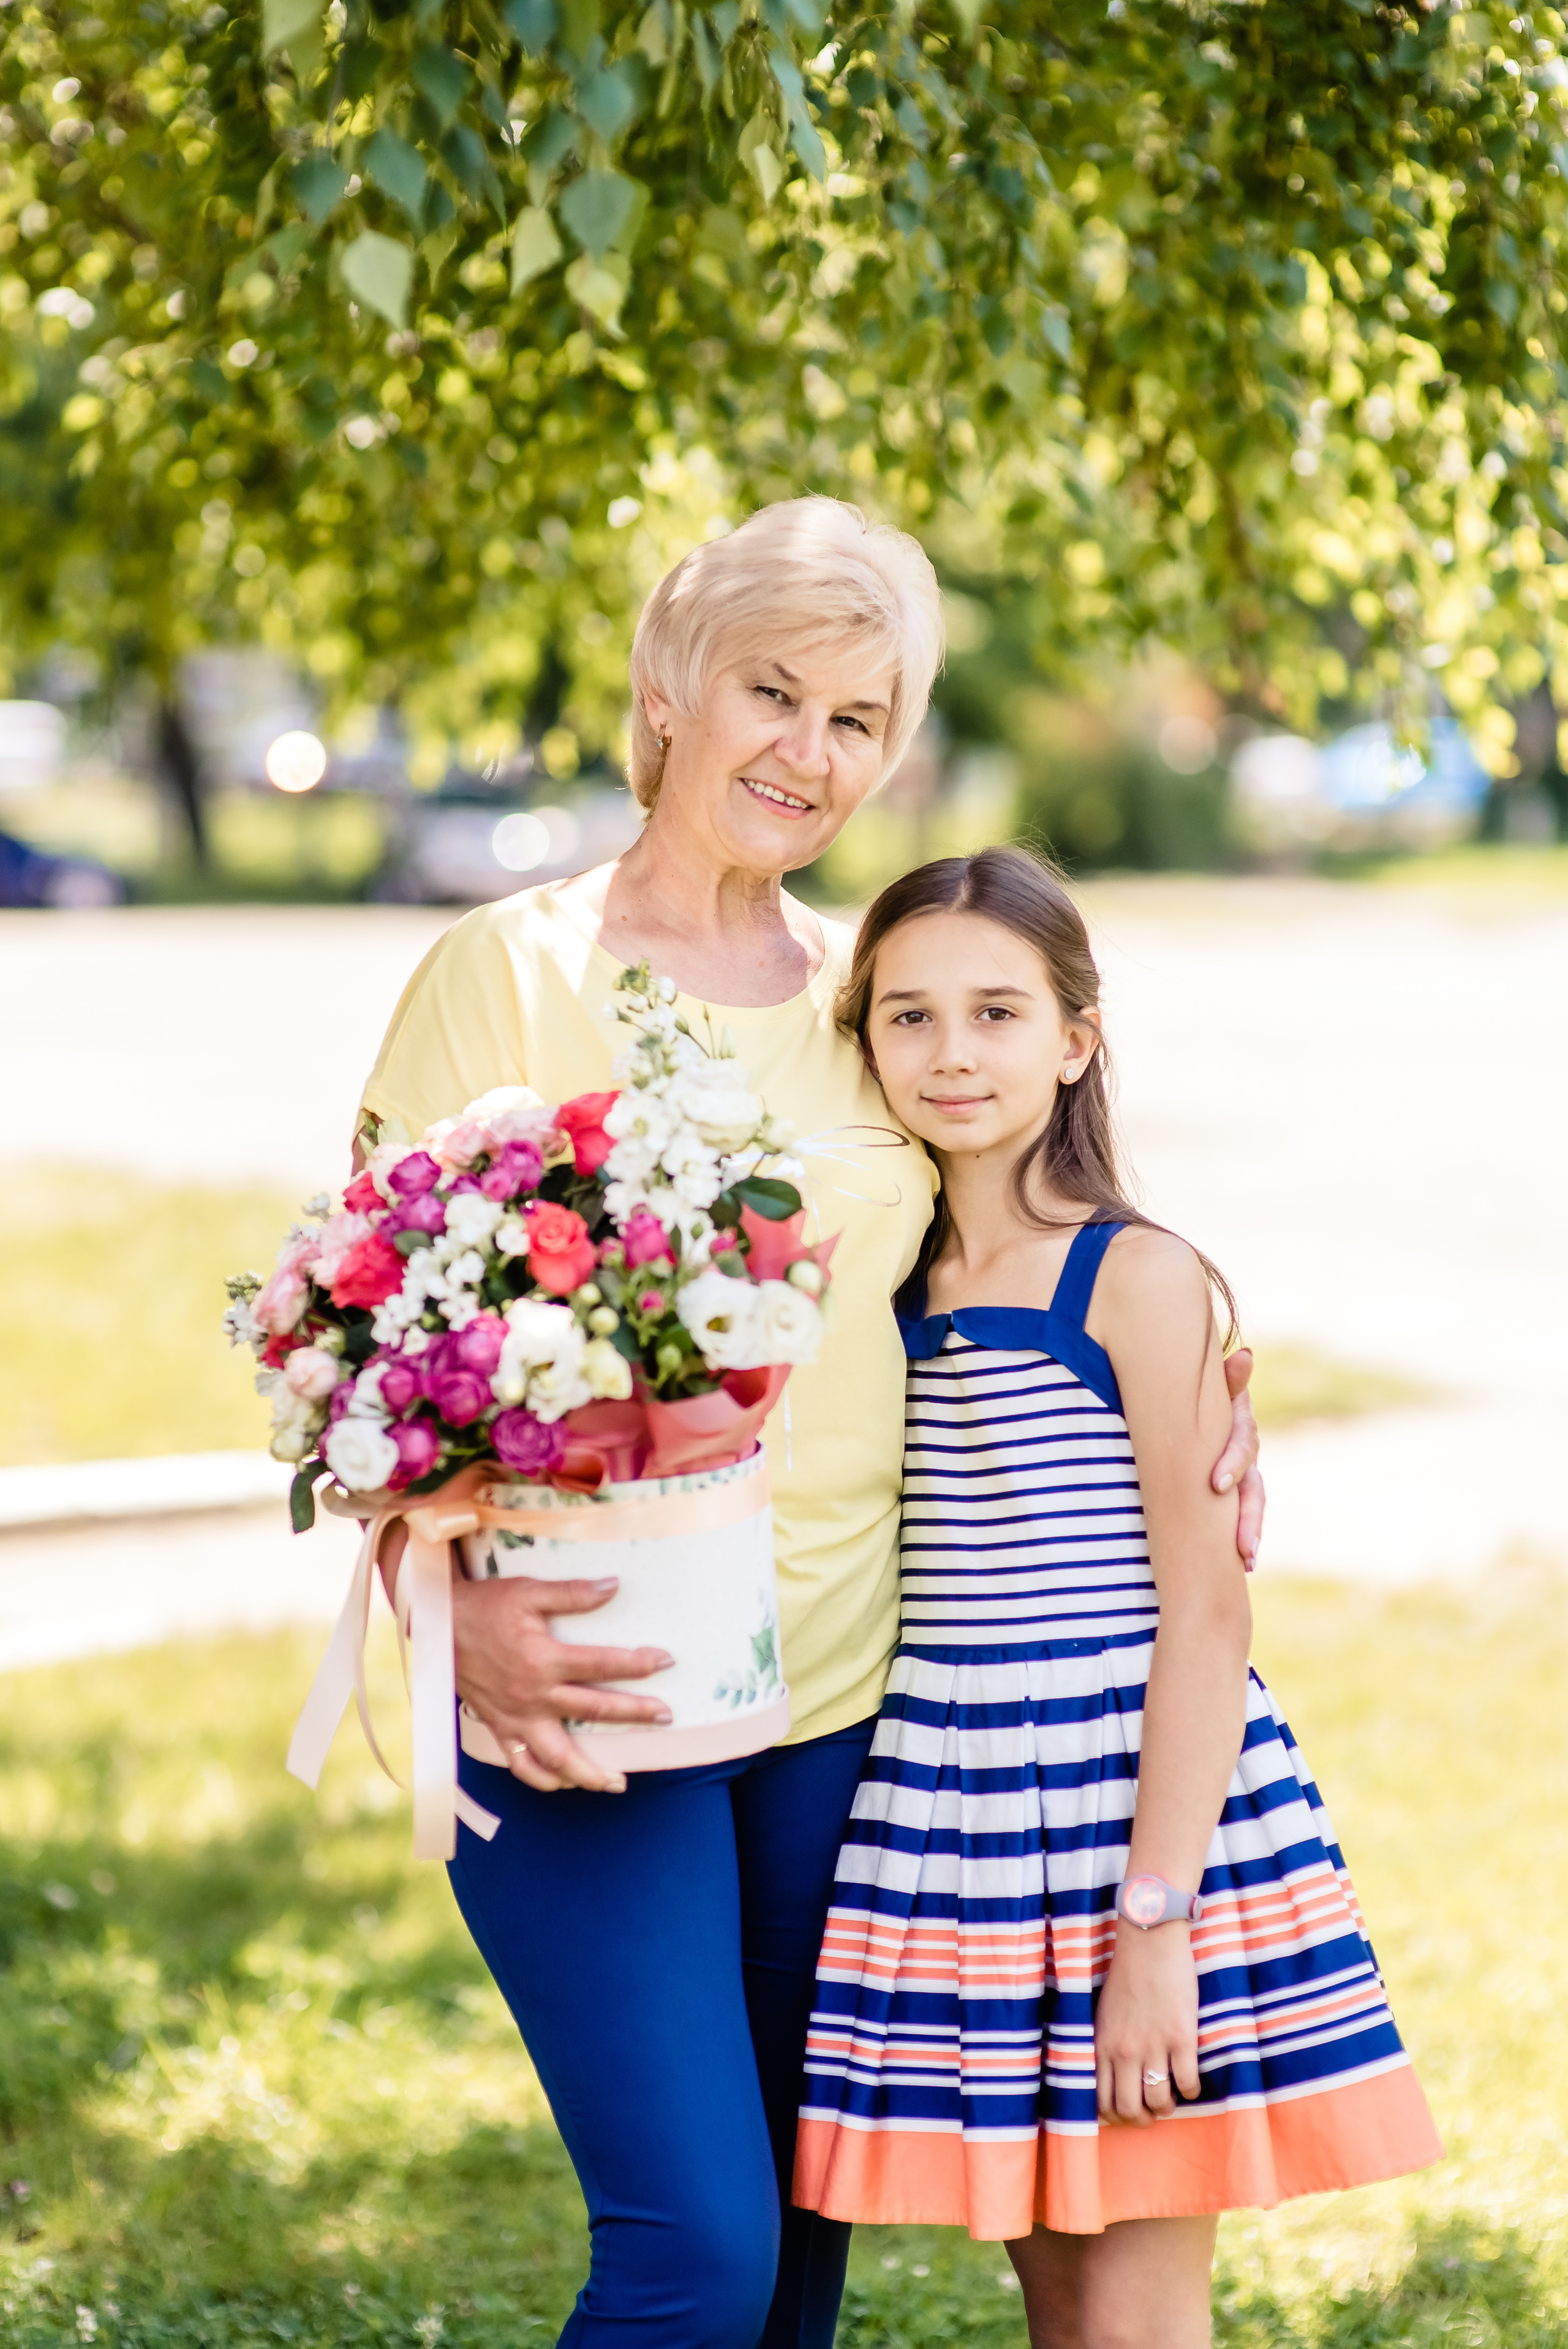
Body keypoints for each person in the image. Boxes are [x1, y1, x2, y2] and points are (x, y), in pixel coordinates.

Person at [353, 501, 1265, 2349]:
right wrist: (448, 1603)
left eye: (859, 719)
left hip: (847, 1707)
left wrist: (1198, 1381)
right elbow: (368, 1348)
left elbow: (1018, 1247)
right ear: (667, 690)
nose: (809, 752)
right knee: (697, 2254)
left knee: (795, 2248)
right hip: (589, 1689)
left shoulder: (874, 996)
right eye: (772, 692)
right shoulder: (504, 972)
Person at [793, 846, 1441, 2349]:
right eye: (907, 1016)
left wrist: (1154, 1923)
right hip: (958, 1821)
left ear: (1075, 1039)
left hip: (1131, 1821)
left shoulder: (1133, 1278)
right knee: (1062, 2309)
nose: (951, 1054)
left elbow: (1207, 1619)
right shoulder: (878, 1286)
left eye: (997, 1012)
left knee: (1137, 2315)